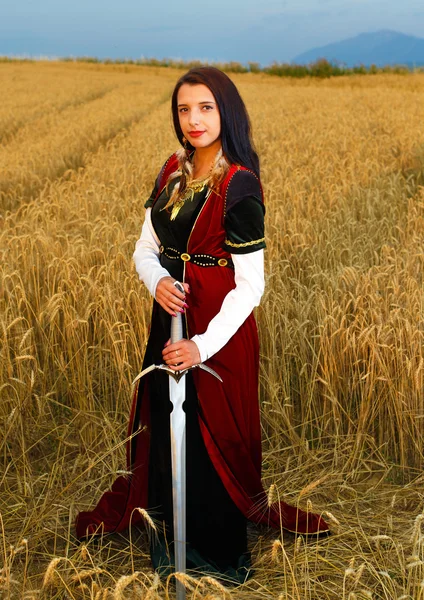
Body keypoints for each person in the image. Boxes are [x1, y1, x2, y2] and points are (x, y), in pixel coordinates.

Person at [75, 66, 329, 583]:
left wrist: (201, 347)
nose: (193, 119)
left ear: (226, 111)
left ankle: (210, 548)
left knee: (208, 429)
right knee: (166, 423)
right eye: (184, 109)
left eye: (205, 108)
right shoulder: (173, 168)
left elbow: (251, 286)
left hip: (217, 330)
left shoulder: (240, 186)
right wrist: (156, 283)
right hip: (168, 313)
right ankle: (167, 525)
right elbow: (145, 249)